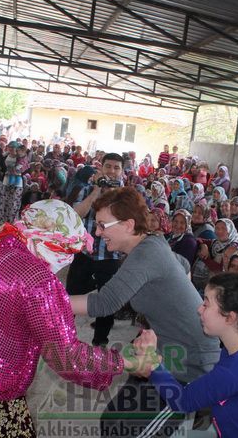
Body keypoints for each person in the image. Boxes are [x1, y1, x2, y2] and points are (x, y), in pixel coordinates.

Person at [0, 200, 132, 436]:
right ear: (50, 243)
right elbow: (66, 357)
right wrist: (125, 362)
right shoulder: (36, 278)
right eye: (68, 251)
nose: (68, 260)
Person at [69, 187, 221, 437]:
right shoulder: (147, 245)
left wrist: (49, 301)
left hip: (188, 365)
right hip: (162, 352)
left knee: (128, 433)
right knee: (110, 422)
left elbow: (104, 303)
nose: (97, 233)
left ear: (128, 225)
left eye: (102, 226)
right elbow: (182, 265)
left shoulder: (147, 252)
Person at [134, 272, 238, 437]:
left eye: (206, 303)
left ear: (230, 317)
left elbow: (182, 402)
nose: (199, 309)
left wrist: (153, 362)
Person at [67, 152, 125, 347]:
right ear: (101, 168)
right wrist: (96, 192)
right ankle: (65, 340)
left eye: (116, 168)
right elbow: (76, 215)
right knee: (70, 298)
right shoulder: (88, 189)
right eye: (108, 166)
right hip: (85, 254)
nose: (112, 171)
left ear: (122, 172)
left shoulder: (126, 196)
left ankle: (100, 344)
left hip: (110, 257)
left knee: (107, 304)